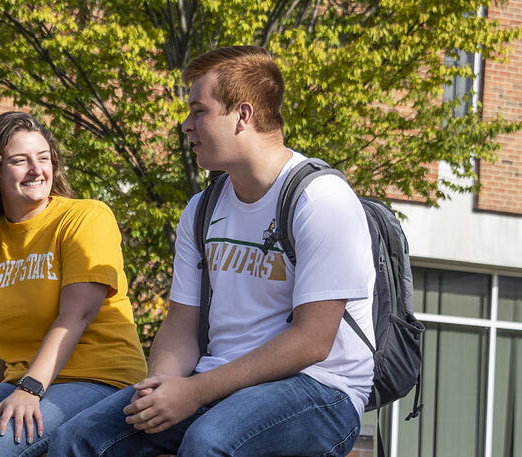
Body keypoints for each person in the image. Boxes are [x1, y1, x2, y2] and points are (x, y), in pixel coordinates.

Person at [49, 45, 376, 457]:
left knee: (208, 443)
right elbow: (181, 326)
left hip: (320, 389)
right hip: (216, 380)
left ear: (243, 115)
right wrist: (162, 387)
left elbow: (312, 341)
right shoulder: (202, 209)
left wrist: (194, 392)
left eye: (198, 111)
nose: (185, 125)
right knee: (78, 439)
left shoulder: (321, 199)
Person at [0, 111, 148, 457]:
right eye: (21, 161)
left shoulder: (85, 218)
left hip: (100, 380)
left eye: (44, 158)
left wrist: (31, 389)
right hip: (20, 384)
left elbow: (76, 315)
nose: (37, 170)